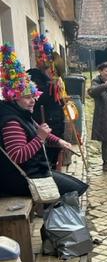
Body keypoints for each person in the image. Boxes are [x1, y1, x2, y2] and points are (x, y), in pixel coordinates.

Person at [0, 44, 87, 198]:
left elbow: (38, 130)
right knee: (75, 189)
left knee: (77, 184)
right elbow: (17, 156)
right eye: (27, 97)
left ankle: (53, 209)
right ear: (13, 98)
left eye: (34, 96)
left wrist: (59, 141)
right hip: (21, 178)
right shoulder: (11, 122)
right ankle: (53, 211)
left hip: (35, 170)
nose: (33, 101)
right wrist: (40, 138)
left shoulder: (22, 113)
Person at [27, 32, 66, 168]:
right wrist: (51, 87)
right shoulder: (33, 76)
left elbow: (59, 102)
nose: (53, 73)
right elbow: (37, 98)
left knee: (54, 161)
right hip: (41, 126)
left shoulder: (57, 80)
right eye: (52, 69)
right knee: (45, 162)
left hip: (57, 127)